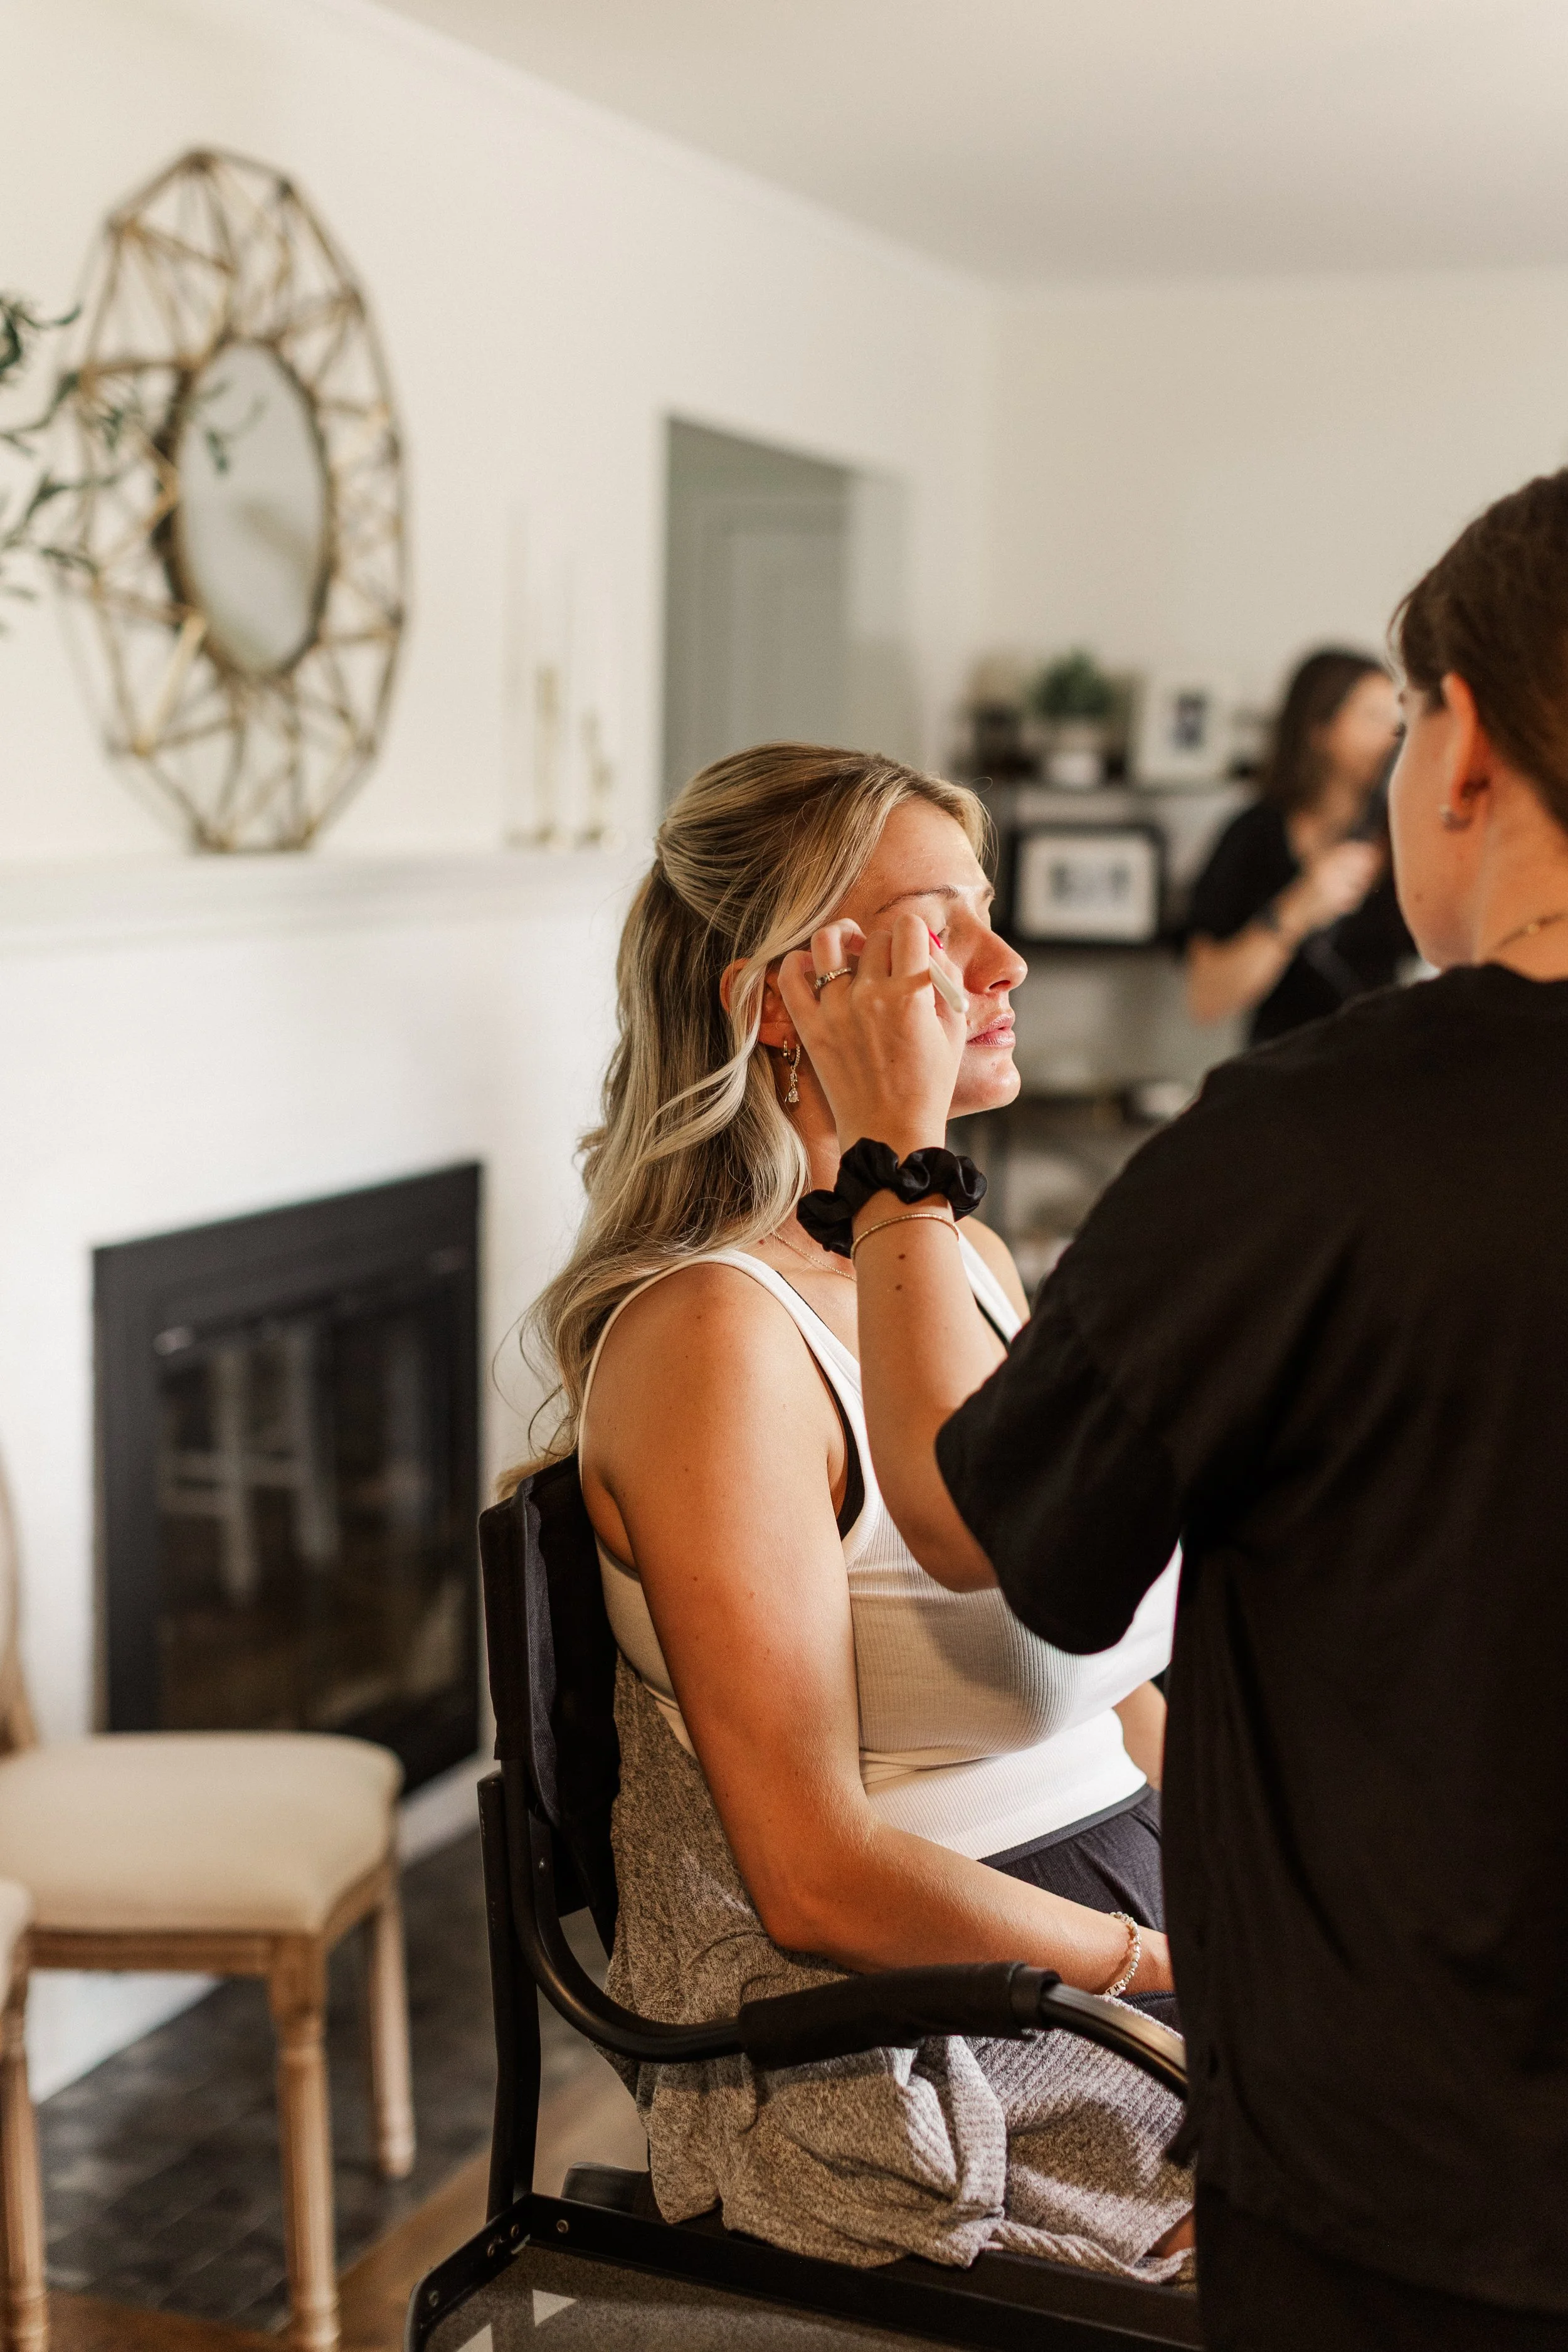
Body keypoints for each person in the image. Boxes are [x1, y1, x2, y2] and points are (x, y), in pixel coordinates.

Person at [781, 471, 1568, 2349]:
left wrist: (897, 1161)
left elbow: (977, 1517)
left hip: (1406, 2167)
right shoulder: (714, 1331)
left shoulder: (1317, 1146)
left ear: (1457, 741)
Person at [519, 744, 1194, 2277]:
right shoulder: (715, 1338)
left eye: (989, 913)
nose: (1005, 965)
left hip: (1130, 1920)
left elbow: (1112, 1690)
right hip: (951, 2015)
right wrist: (1155, 1967)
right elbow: (814, 1875)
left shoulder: (961, 1265)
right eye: (936, 931)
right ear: (783, 1000)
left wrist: (1260, 1882)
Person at [1185, 647, 1409, 1041]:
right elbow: (1207, 998)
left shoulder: (1405, 836)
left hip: (1381, 1062)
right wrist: (1299, 907)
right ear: (1318, 728)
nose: (1391, 739)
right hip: (1276, 1063)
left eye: (1396, 722)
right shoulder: (1252, 835)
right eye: (1372, 717)